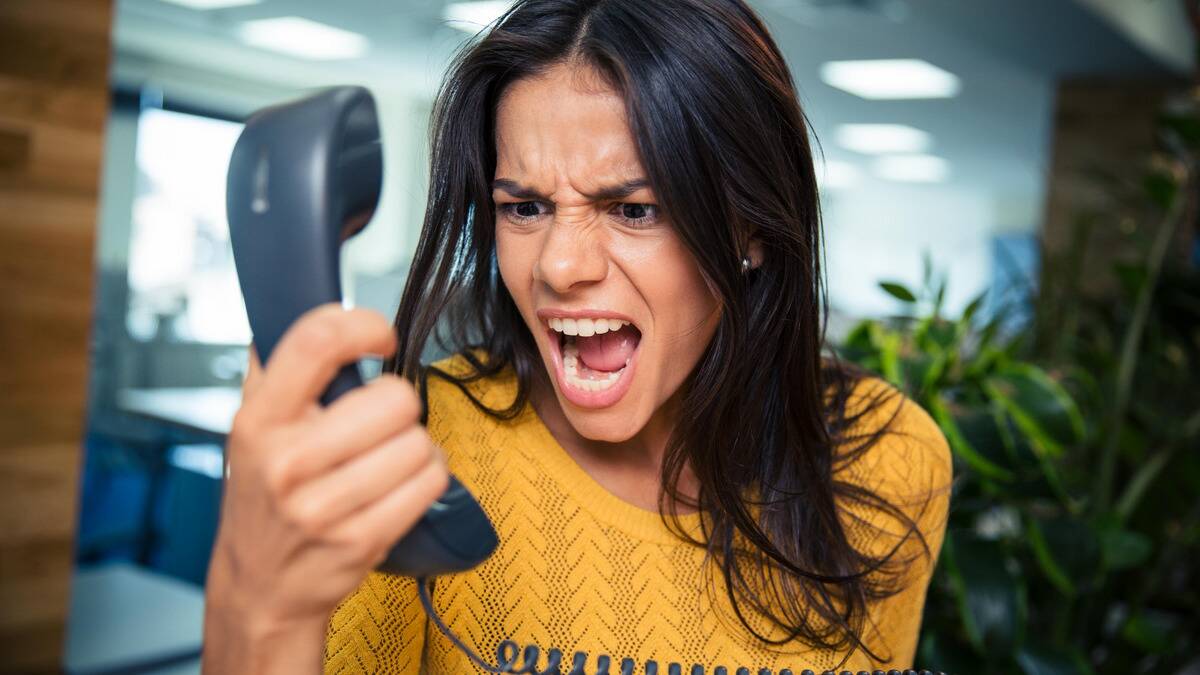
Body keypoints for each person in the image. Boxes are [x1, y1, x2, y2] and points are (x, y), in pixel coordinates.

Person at [201, 1, 953, 673]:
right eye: (524, 207)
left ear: (751, 227)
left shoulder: (888, 461)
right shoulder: (411, 457)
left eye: (634, 209)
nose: (559, 267)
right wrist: (257, 609)